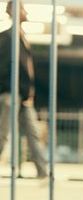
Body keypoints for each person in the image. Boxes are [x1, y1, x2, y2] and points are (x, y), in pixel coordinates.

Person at [0, 0, 49, 179]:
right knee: (3, 134)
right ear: (12, 11)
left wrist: (27, 93)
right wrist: (9, 90)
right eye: (22, 8)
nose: (25, 12)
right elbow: (4, 67)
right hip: (11, 93)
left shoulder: (22, 37)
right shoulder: (7, 37)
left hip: (24, 96)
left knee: (33, 133)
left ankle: (43, 172)